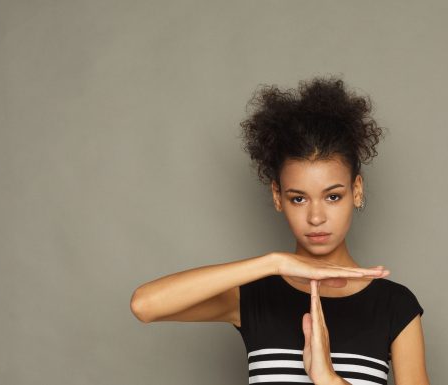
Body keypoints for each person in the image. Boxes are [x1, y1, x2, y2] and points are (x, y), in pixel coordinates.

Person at [130, 75, 429, 385]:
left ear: (356, 190)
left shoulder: (395, 306)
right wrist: (274, 263)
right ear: (277, 197)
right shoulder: (256, 295)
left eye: (332, 196)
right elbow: (145, 305)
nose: (315, 217)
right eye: (298, 198)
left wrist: (326, 377)